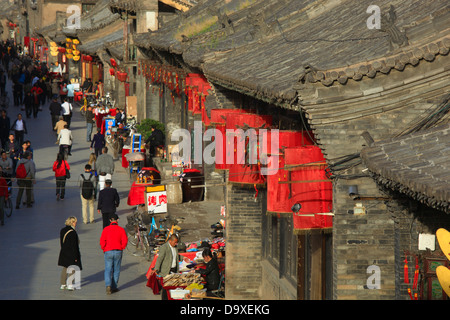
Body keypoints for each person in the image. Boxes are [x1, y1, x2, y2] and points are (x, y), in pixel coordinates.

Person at [99, 213, 127, 294]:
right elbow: (125, 240)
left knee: (108, 269)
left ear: (110, 220)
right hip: (118, 250)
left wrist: (104, 248)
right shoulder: (121, 229)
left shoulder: (106, 229)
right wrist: (122, 247)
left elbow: (102, 240)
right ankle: (114, 287)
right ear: (117, 220)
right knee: (116, 270)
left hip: (108, 251)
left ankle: (108, 285)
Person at [58, 216, 82, 290]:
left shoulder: (63, 230)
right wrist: (76, 256)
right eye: (75, 222)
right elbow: (74, 246)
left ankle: (63, 284)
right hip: (71, 252)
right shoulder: (73, 232)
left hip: (64, 252)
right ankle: (70, 284)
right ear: (72, 222)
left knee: (65, 267)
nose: (76, 224)